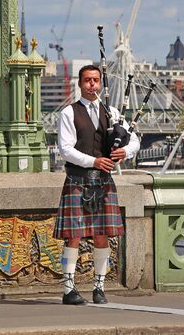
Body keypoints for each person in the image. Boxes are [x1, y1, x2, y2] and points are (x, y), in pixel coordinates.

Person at [54, 64, 140, 305]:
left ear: (101, 84)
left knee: (102, 235)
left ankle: (99, 288)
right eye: (87, 80)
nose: (92, 84)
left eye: (96, 80)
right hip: (77, 180)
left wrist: (125, 151)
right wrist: (94, 161)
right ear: (80, 84)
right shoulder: (69, 113)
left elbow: (135, 140)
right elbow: (66, 149)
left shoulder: (111, 112)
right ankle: (69, 289)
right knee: (73, 236)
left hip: (102, 182)